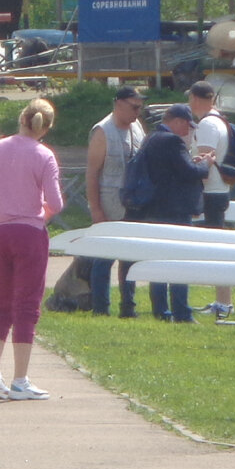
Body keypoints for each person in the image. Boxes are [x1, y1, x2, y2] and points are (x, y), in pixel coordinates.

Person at [0, 97, 65, 400]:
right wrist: (40, 212)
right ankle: (21, 378)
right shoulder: (44, 155)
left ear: (21, 118)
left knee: (1, 304)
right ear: (45, 128)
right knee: (26, 305)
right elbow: (56, 203)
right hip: (29, 233)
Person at [140, 103, 213, 323]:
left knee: (158, 260)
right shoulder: (172, 141)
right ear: (177, 121)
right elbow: (189, 172)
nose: (188, 131)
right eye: (187, 126)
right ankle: (181, 311)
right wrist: (206, 165)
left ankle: (161, 310)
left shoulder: (151, 138)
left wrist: (191, 163)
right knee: (180, 260)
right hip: (175, 209)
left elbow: (175, 168)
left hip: (155, 207)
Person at [84, 86, 146, 317]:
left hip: (134, 202)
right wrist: (96, 209)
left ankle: (128, 307)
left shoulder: (137, 127)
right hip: (109, 202)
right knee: (104, 258)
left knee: (130, 256)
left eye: (140, 107)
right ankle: (101, 308)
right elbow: (91, 173)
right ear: (118, 104)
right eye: (134, 106)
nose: (138, 112)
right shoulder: (103, 131)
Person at [188, 81, 233, 316]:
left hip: (209, 192)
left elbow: (203, 163)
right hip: (221, 189)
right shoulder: (221, 121)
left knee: (214, 250)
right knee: (218, 247)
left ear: (195, 98)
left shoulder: (206, 124)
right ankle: (223, 301)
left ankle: (224, 303)